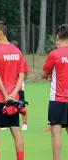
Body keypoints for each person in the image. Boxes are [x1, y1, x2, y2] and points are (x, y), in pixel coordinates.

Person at [0, 21, 25, 160]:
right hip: (13, 98)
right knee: (15, 129)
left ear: (0, 32)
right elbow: (21, 75)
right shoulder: (17, 51)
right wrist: (14, 93)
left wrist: (5, 95)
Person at [41, 24, 68, 160]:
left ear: (57, 38)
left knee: (56, 133)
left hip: (58, 99)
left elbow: (43, 74)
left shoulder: (54, 54)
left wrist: (50, 76)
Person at [10, 40, 29, 131]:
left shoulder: (22, 60)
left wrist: (19, 82)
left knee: (21, 105)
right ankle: (8, 123)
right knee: (9, 104)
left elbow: (25, 74)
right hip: (9, 87)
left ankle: (25, 123)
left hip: (19, 87)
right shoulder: (8, 59)